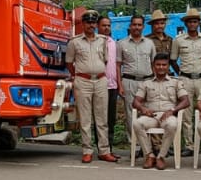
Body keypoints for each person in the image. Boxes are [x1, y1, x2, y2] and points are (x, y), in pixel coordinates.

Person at [66, 10, 118, 164]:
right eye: (88, 22)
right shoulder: (74, 42)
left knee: (102, 117)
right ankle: (87, 150)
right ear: (83, 24)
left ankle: (104, 151)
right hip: (83, 81)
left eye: (93, 22)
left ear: (96, 24)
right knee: (85, 118)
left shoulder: (103, 41)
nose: (91, 25)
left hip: (101, 80)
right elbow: (69, 63)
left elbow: (106, 61)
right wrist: (79, 75)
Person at [132, 53, 189, 170]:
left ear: (168, 67)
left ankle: (161, 156)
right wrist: (143, 109)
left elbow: (186, 101)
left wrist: (173, 110)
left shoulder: (176, 82)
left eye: (164, 65)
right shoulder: (146, 83)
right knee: (137, 123)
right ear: (153, 66)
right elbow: (136, 102)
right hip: (151, 116)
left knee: (173, 124)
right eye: (158, 65)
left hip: (168, 115)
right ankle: (150, 155)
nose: (161, 67)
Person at [171, 8, 201, 157]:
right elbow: (173, 60)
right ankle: (189, 145)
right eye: (189, 21)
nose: (192, 24)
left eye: (195, 21)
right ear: (186, 23)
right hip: (185, 79)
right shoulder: (179, 40)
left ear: (198, 23)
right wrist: (181, 73)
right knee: (187, 114)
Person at [116, 15, 156, 157]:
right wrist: (119, 85)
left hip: (147, 81)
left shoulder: (150, 43)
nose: (137, 27)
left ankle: (150, 144)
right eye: (134, 25)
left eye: (139, 25)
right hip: (129, 81)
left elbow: (154, 64)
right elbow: (118, 65)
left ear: (143, 27)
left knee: (148, 112)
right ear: (130, 26)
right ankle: (135, 145)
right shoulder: (121, 43)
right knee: (130, 114)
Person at [98, 15, 120, 153]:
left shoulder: (114, 43)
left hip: (113, 86)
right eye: (103, 25)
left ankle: (109, 148)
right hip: (99, 86)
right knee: (100, 119)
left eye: (108, 25)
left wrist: (119, 84)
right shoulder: (93, 42)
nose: (106, 28)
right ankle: (101, 148)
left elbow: (117, 65)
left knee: (111, 118)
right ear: (97, 27)